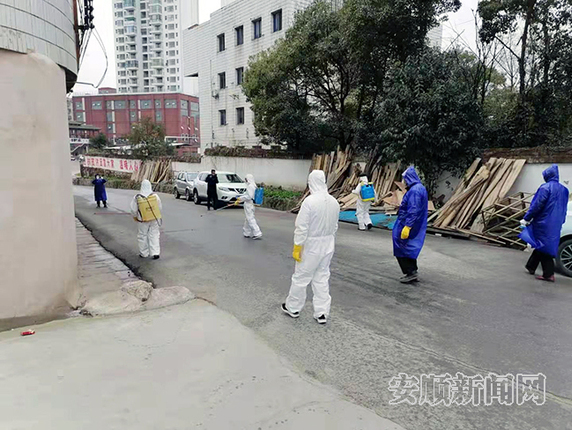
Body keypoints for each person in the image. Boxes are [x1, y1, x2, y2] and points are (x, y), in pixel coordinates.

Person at [282, 170, 340, 324]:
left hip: (311, 245)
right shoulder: (334, 201)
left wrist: (297, 246)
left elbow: (302, 227)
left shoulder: (310, 202)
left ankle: (293, 307)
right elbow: (335, 226)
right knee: (321, 278)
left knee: (301, 277)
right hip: (328, 244)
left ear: (311, 182)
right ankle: (322, 312)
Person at [520, 164, 569, 282]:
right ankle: (531, 266)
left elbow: (536, 205)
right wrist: (562, 220)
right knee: (543, 243)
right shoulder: (564, 190)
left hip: (543, 222)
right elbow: (564, 208)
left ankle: (548, 274)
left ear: (547, 175)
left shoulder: (545, 188)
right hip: (556, 222)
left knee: (542, 245)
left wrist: (526, 218)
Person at [392, 167, 428, 284]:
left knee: (401, 246)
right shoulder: (419, 188)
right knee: (408, 246)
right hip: (412, 222)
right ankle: (412, 271)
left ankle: (410, 271)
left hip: (406, 222)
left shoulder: (415, 191)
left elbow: (413, 209)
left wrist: (407, 226)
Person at [130, 180, 163, 260]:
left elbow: (133, 210)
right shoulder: (155, 196)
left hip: (142, 220)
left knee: (142, 235)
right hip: (154, 219)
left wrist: (135, 217)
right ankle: (155, 252)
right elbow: (159, 208)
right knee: (154, 234)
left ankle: (144, 253)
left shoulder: (137, 197)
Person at [235, 174, 262, 239]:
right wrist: (240, 198)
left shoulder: (250, 186)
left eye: (246, 179)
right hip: (250, 204)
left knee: (250, 218)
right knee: (247, 219)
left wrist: (240, 199)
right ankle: (246, 232)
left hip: (249, 204)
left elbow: (249, 196)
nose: (245, 180)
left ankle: (257, 232)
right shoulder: (253, 186)